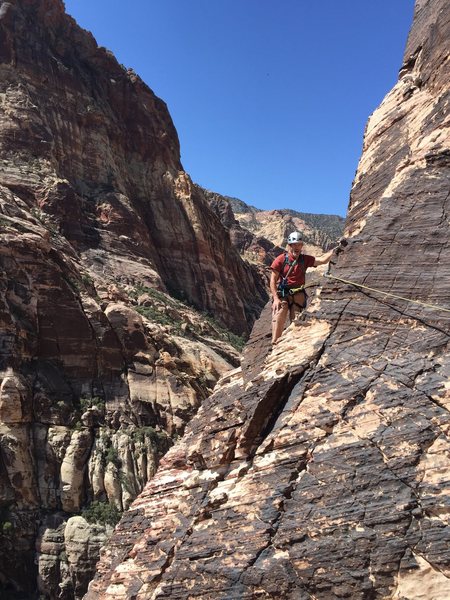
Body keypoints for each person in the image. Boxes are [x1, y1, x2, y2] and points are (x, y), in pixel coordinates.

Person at [270, 231, 335, 344]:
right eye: (294, 244)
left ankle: (290, 345)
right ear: (289, 246)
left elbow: (323, 260)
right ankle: (274, 344)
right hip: (283, 294)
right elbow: (272, 280)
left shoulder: (305, 259)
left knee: (296, 322)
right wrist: (275, 298)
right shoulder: (280, 259)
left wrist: (335, 250)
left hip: (298, 295)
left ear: (302, 246)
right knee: (278, 316)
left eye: (299, 244)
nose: (297, 247)